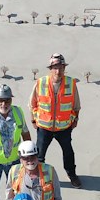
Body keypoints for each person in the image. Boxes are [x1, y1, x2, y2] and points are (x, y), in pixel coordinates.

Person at [30, 53, 81, 188]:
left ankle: (72, 175)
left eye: (61, 68)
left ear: (64, 68)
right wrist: (33, 120)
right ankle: (38, 177)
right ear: (50, 69)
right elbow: (32, 103)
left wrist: (75, 119)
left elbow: (76, 105)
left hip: (64, 128)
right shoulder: (41, 83)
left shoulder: (71, 83)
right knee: (39, 155)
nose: (58, 71)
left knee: (68, 153)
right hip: (44, 127)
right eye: (55, 68)